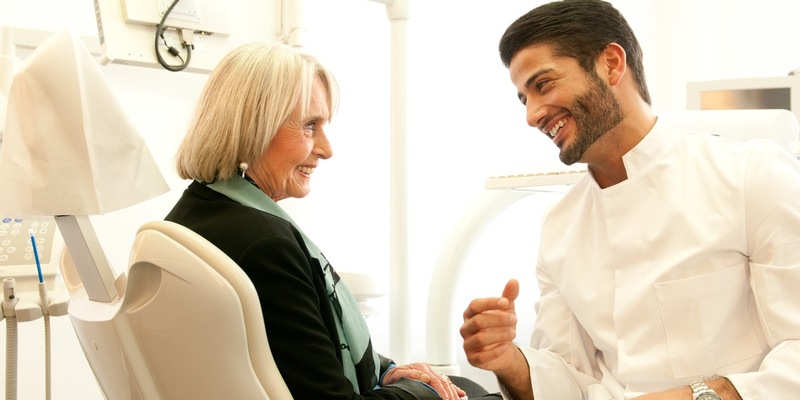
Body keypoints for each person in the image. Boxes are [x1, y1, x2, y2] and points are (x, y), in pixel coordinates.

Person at [459, 1, 800, 399]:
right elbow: (571, 381)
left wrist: (700, 395)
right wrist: (508, 360)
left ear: (611, 64)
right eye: (523, 98)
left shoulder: (751, 177)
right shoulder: (559, 225)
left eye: (543, 84)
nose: (532, 115)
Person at [164, 42, 498, 400]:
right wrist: (422, 391)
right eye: (310, 126)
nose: (326, 148)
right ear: (253, 127)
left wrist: (388, 371)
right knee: (473, 392)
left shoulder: (193, 214)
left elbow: (299, 358)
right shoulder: (264, 247)